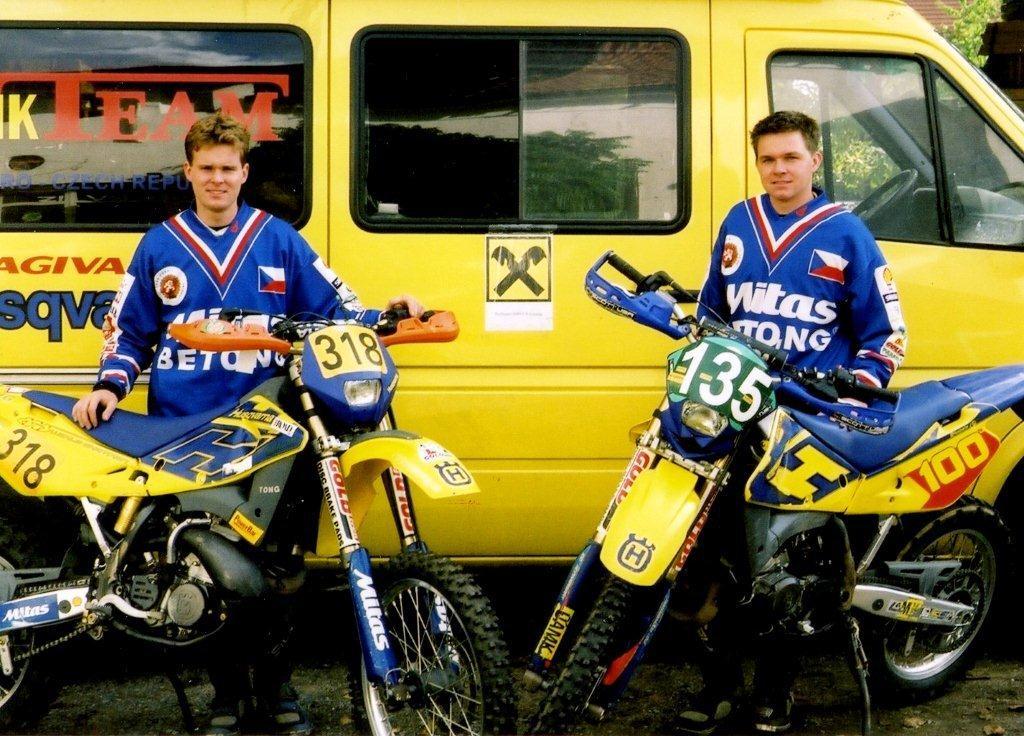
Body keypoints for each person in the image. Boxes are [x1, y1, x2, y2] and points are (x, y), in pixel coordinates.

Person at [72, 112, 423, 735]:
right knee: (210, 570)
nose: (217, 179)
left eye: (227, 168)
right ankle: (227, 697)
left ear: (244, 173)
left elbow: (337, 310)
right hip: (188, 431)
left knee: (282, 568)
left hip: (271, 429)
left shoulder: (279, 239)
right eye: (206, 168)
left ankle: (279, 688)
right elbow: (128, 333)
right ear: (188, 172)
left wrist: (389, 313)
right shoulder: (159, 245)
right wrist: (108, 386)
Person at [677, 110, 908, 735]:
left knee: (784, 566)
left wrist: (855, 388)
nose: (778, 170)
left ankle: (775, 691)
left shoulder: (847, 233)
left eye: (790, 158)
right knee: (711, 558)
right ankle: (719, 686)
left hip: (803, 423)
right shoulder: (738, 222)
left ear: (815, 162)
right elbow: (711, 314)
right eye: (768, 159)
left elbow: (887, 334)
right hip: (733, 416)